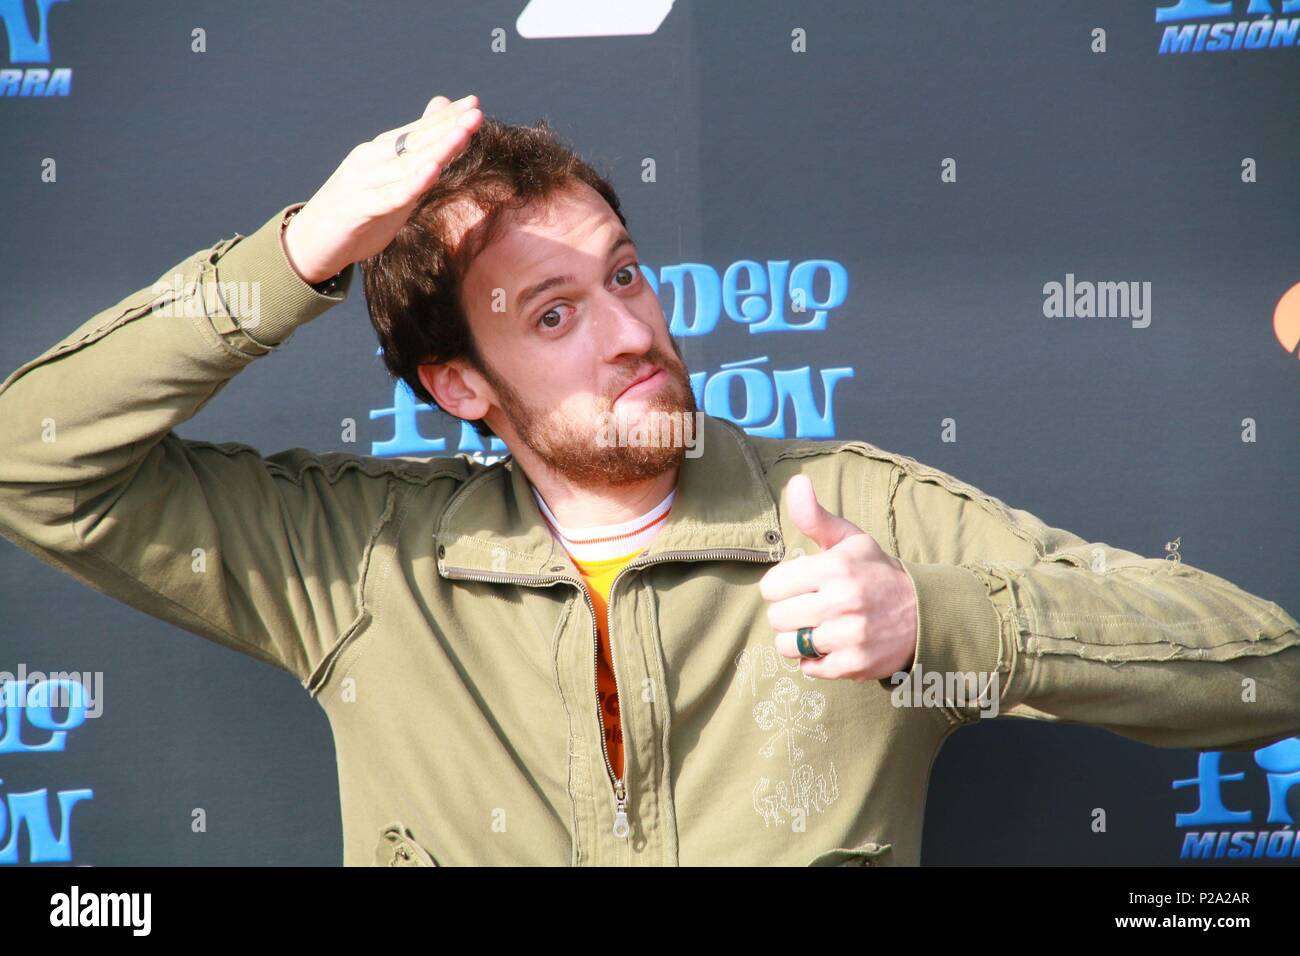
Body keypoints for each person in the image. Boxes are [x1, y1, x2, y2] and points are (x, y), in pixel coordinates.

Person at [0, 93, 1296, 866]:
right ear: (459, 385)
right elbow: (31, 462)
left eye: (622, 274)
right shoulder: (364, 566)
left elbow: (1269, 672)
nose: (629, 329)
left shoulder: (852, 516)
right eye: (552, 315)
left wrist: (946, 626)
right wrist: (295, 257)